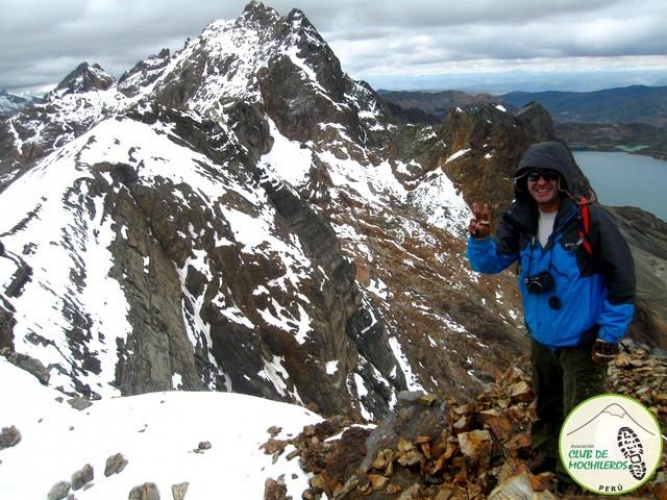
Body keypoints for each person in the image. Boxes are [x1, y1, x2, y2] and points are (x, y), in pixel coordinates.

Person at [466, 141, 636, 482]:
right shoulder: (521, 221)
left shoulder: (589, 221)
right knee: (548, 404)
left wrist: (609, 334)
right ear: (523, 182)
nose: (540, 182)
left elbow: (622, 279)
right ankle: (547, 450)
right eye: (532, 177)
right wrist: (481, 239)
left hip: (583, 341)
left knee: (582, 409)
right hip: (542, 337)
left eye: (548, 175)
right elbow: (490, 263)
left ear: (561, 180)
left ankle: (575, 474)